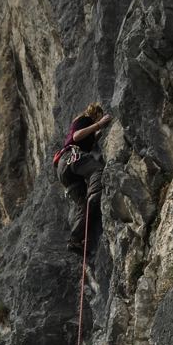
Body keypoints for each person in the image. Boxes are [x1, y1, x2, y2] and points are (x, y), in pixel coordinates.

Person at [54, 102, 113, 256]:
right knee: (97, 169)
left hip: (64, 170)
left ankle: (75, 240)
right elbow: (76, 136)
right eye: (98, 118)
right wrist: (99, 124)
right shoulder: (85, 119)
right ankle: (95, 193)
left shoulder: (88, 132)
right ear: (95, 115)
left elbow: (86, 140)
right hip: (72, 157)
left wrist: (97, 133)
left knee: (84, 207)